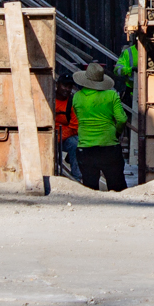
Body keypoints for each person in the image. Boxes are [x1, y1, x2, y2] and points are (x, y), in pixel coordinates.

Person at [72, 61, 129, 191]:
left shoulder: (76, 97)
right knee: (117, 187)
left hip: (85, 148)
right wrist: (116, 133)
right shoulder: (111, 95)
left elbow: (77, 119)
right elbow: (122, 119)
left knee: (90, 189)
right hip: (109, 147)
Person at [54, 76, 80, 182]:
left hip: (64, 137)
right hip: (48, 135)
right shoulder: (48, 98)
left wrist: (58, 138)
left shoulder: (72, 103)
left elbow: (74, 128)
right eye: (64, 86)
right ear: (57, 85)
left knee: (76, 143)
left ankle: (77, 177)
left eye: (69, 87)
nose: (67, 89)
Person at [114, 37, 138, 102]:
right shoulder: (128, 52)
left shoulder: (152, 51)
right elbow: (117, 70)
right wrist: (130, 69)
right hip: (132, 91)